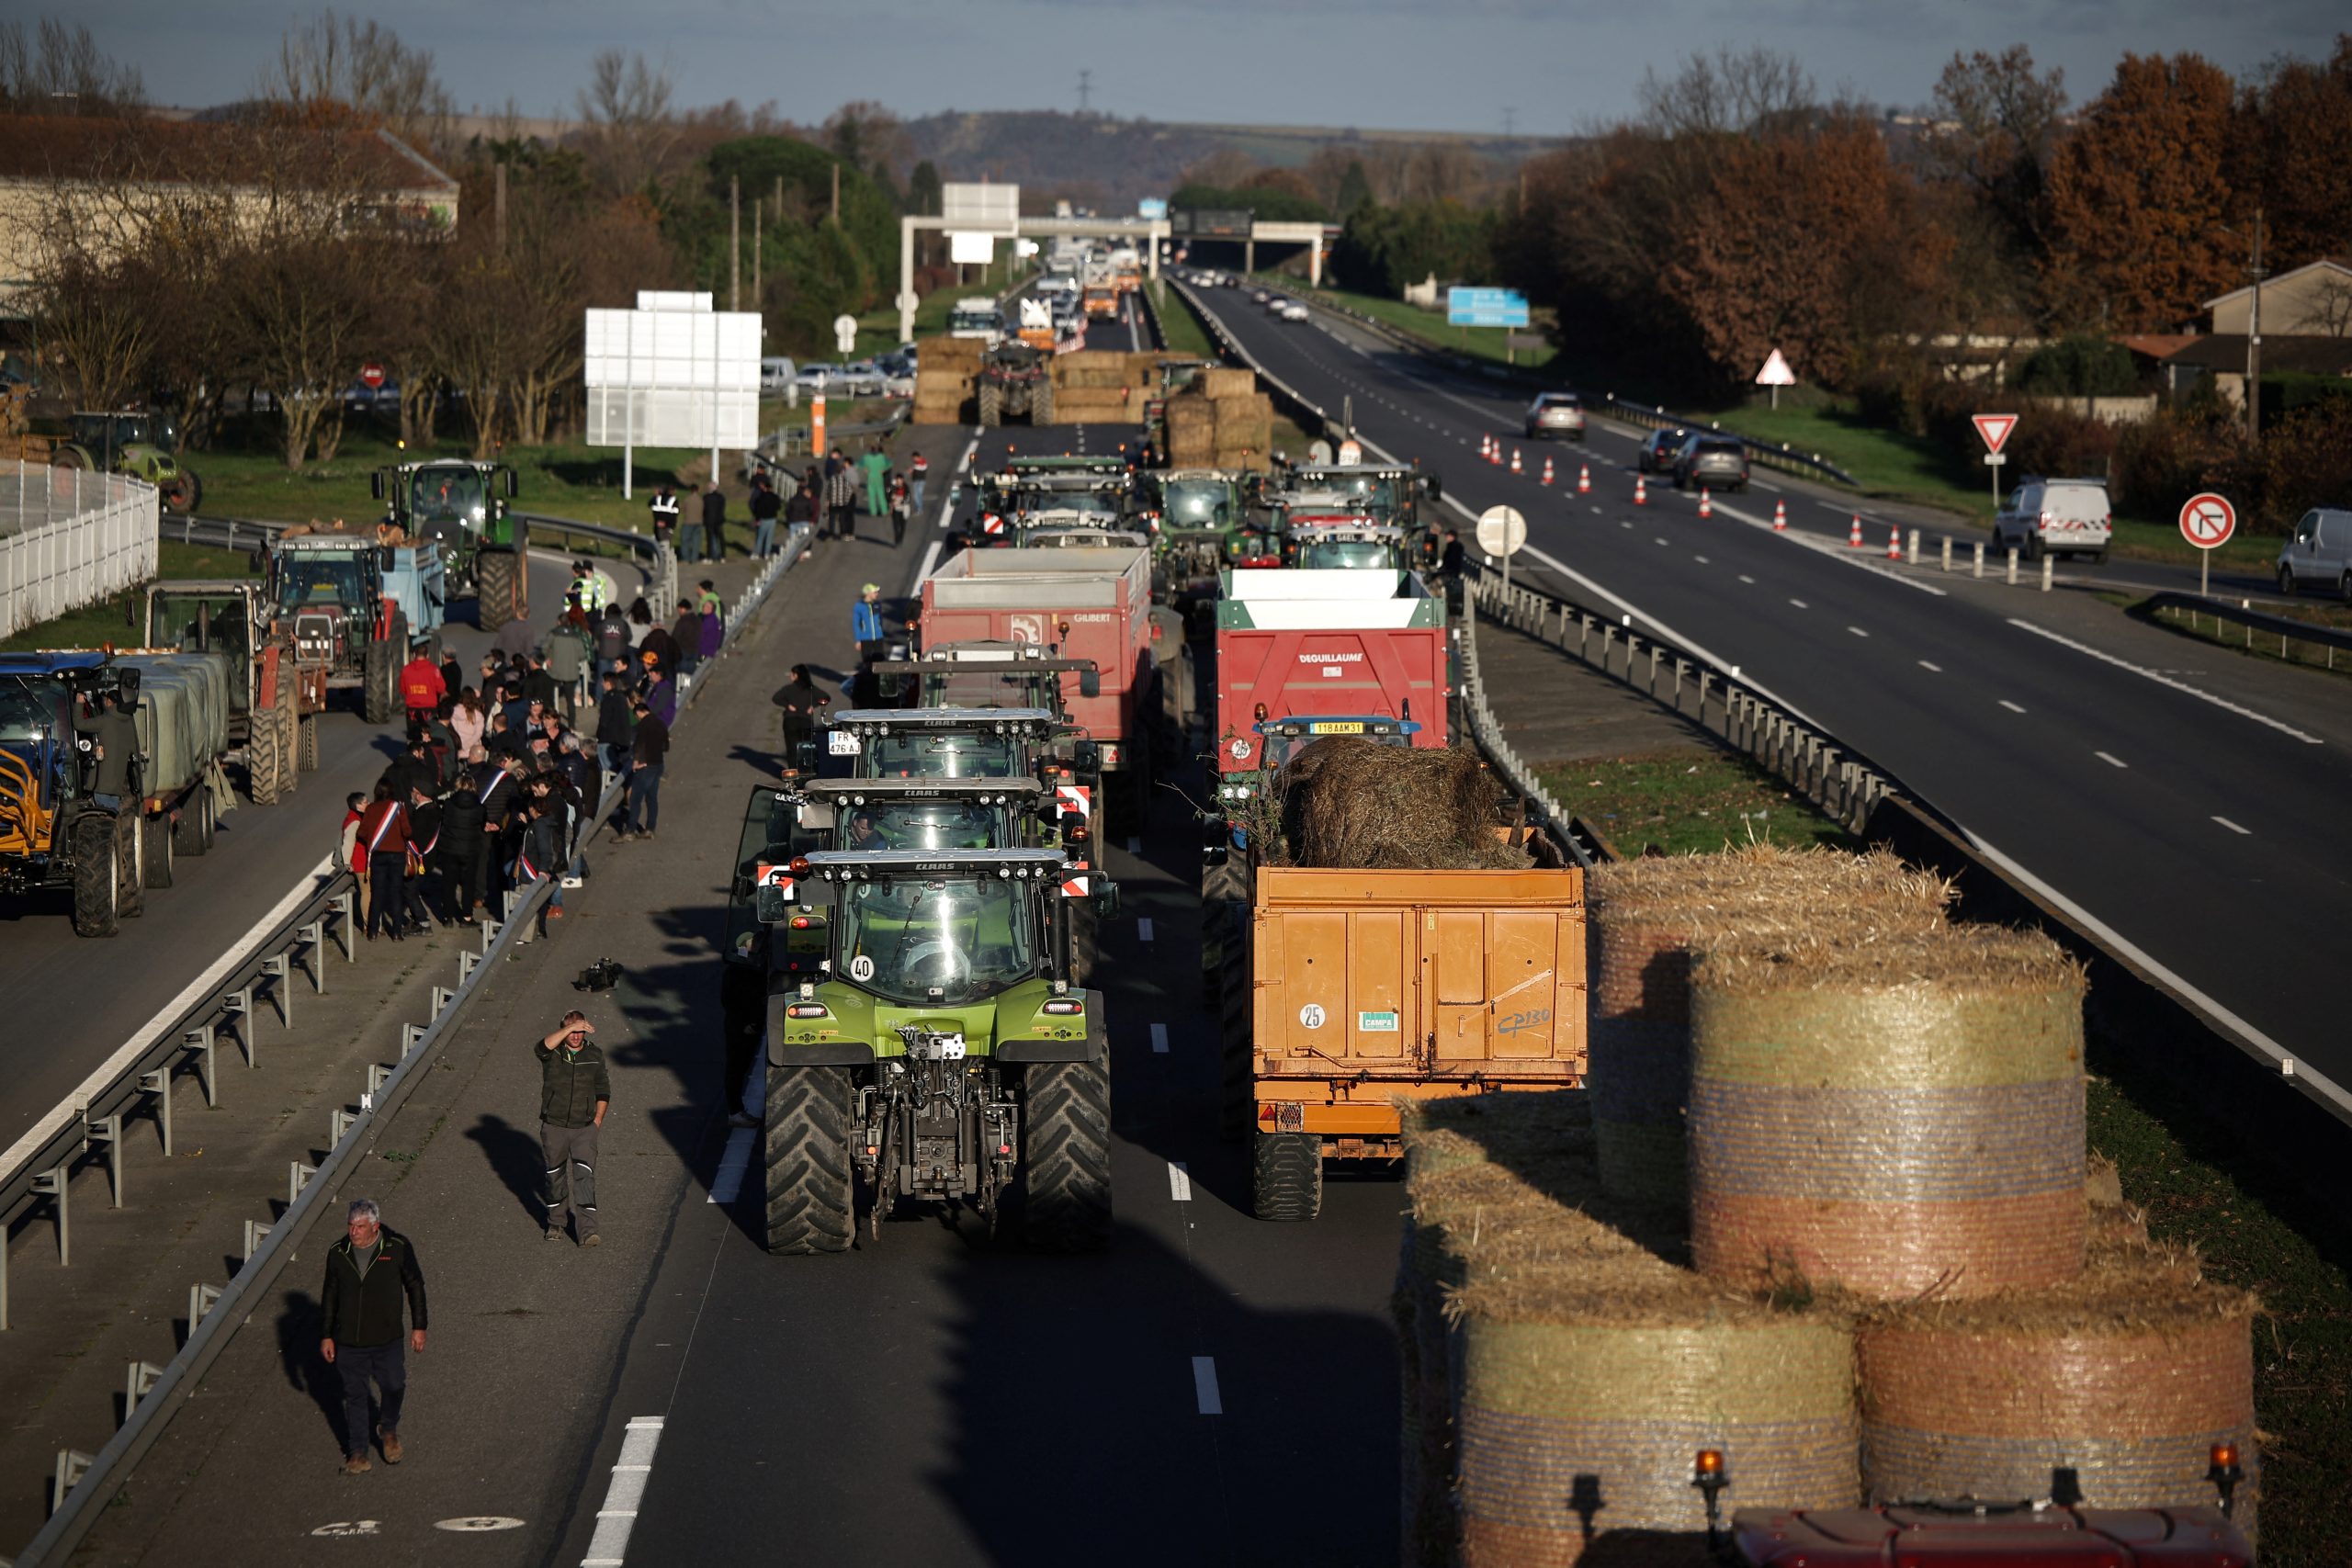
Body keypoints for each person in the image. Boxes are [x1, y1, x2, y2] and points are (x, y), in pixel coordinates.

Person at [320, 1198, 427, 1474]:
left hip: (387, 1339)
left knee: (394, 1384)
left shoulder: (397, 1248)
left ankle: (388, 1428)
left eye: (359, 1226)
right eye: (350, 1225)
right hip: (349, 1343)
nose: (353, 1232)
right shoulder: (337, 1253)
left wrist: (419, 1326)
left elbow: (415, 1286)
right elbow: (329, 1295)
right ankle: (357, 1453)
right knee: (355, 1395)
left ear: (374, 1226)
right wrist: (327, 1335)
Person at [535, 1013, 610, 1245]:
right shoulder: (553, 1053)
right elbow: (540, 1048)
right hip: (554, 1126)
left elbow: (603, 1089)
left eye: (580, 1031)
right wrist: (569, 1028)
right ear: (563, 1031)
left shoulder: (594, 1054)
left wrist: (597, 1120)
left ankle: (588, 1231)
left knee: (585, 1177)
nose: (576, 1035)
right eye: (571, 1031)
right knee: (555, 1177)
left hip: (584, 1128)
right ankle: (556, 1224)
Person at [356, 782, 412, 942]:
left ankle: (372, 932)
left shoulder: (371, 809)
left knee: (377, 893)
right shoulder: (398, 808)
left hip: (378, 855)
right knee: (395, 893)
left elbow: (361, 832)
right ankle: (396, 932)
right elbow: (407, 831)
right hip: (397, 855)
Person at [70, 688, 138, 808]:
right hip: (117, 784)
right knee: (114, 813)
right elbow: (134, 749)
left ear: (109, 702)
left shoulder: (105, 720)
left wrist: (79, 703)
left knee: (104, 816)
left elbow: (79, 724)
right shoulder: (129, 723)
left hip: (102, 783)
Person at [439, 769, 485, 919]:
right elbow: (483, 824)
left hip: (450, 848)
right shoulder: (479, 807)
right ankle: (467, 915)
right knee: (468, 883)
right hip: (470, 849)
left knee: (448, 883)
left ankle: (447, 916)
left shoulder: (448, 804)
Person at [771, 663, 829, 776]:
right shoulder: (811, 689)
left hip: (790, 721)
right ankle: (807, 774)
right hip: (806, 721)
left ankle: (793, 775)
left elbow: (775, 698)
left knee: (792, 749)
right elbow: (826, 697)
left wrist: (787, 705)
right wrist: (814, 705)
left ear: (796, 675)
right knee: (807, 748)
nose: (790, 676)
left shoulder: (788, 689)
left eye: (792, 674)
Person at [620, 697, 666, 840]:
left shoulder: (643, 725)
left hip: (646, 766)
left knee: (635, 799)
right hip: (658, 764)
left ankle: (630, 830)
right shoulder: (660, 723)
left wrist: (637, 761)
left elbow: (638, 745)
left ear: (639, 712)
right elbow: (666, 746)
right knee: (652, 798)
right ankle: (650, 829)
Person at [338, 791, 370, 931]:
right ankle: (369, 925)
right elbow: (348, 843)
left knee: (368, 892)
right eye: (365, 802)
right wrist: (347, 863)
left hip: (363, 861)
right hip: (360, 862)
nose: (368, 804)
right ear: (358, 806)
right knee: (367, 893)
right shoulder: (355, 821)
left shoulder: (354, 817)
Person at [594, 671, 633, 780]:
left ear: (608, 683)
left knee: (607, 769)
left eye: (603, 682)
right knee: (615, 764)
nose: (602, 684)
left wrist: (598, 734)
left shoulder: (608, 698)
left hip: (607, 738)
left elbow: (604, 721)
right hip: (620, 739)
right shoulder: (621, 697)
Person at [824, 449, 858, 542]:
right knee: (842, 518)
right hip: (842, 502)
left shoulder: (832, 479)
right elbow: (848, 490)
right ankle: (843, 533)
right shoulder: (845, 480)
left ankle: (831, 533)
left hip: (833, 502)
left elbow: (828, 491)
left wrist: (828, 500)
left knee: (832, 518)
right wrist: (846, 500)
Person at [749, 473, 781, 559]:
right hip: (773, 519)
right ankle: (766, 553)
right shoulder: (775, 497)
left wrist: (757, 519)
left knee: (760, 537)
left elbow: (758, 509)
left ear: (765, 488)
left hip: (763, 519)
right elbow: (778, 507)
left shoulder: (761, 497)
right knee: (769, 538)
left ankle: (756, 553)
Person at [670, 599, 703, 682]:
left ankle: (680, 689)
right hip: (695, 650)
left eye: (679, 610)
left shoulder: (682, 622)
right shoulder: (698, 620)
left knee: (680, 674)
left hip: (683, 651)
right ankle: (688, 688)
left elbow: (675, 638)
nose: (679, 612)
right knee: (690, 675)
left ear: (683, 609)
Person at [860, 443, 892, 520]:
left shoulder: (867, 457)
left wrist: (865, 469)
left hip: (871, 478)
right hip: (879, 478)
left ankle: (873, 512)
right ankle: (884, 511)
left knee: (871, 497)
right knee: (881, 496)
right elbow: (890, 464)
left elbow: (859, 465)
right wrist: (883, 469)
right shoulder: (881, 457)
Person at [677, 482, 706, 563]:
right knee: (696, 541)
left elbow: (682, 510)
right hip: (699, 522)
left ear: (691, 490)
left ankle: (686, 557)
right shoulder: (701, 500)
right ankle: (694, 558)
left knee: (685, 540)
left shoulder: (687, 499)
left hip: (688, 522)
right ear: (698, 490)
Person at [700, 481, 728, 563]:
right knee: (721, 539)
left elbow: (704, 510)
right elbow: (722, 509)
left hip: (709, 521)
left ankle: (709, 557)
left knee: (709, 540)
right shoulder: (721, 497)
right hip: (719, 520)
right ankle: (723, 556)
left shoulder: (706, 497)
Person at [649, 483, 680, 550]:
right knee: (666, 542)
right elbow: (676, 512)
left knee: (659, 541)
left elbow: (650, 504)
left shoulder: (658, 498)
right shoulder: (674, 499)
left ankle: (658, 555)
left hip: (658, 523)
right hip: (669, 525)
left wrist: (655, 495)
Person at [887, 471, 910, 546]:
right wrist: (891, 500)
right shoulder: (891, 487)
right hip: (895, 509)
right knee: (896, 526)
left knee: (903, 526)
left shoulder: (906, 487)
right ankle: (897, 540)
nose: (899, 482)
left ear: (902, 480)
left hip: (903, 509)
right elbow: (887, 495)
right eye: (897, 480)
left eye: (900, 480)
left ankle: (900, 539)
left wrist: (900, 502)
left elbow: (908, 499)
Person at [908, 450, 929, 516]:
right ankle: (919, 509)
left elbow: (921, 467)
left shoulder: (923, 462)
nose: (913, 459)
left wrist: (912, 469)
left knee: (917, 496)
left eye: (914, 458)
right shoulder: (916, 463)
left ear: (917, 457)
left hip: (921, 481)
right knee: (917, 496)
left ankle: (919, 509)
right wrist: (912, 470)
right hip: (915, 481)